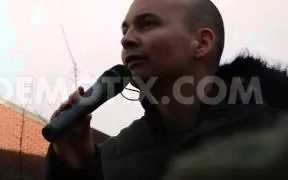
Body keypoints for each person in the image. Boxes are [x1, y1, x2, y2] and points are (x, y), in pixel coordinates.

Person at [44, 0, 288, 179]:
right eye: (125, 29)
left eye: (147, 24)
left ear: (201, 43)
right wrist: (76, 170)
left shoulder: (276, 130)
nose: (126, 39)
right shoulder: (113, 156)